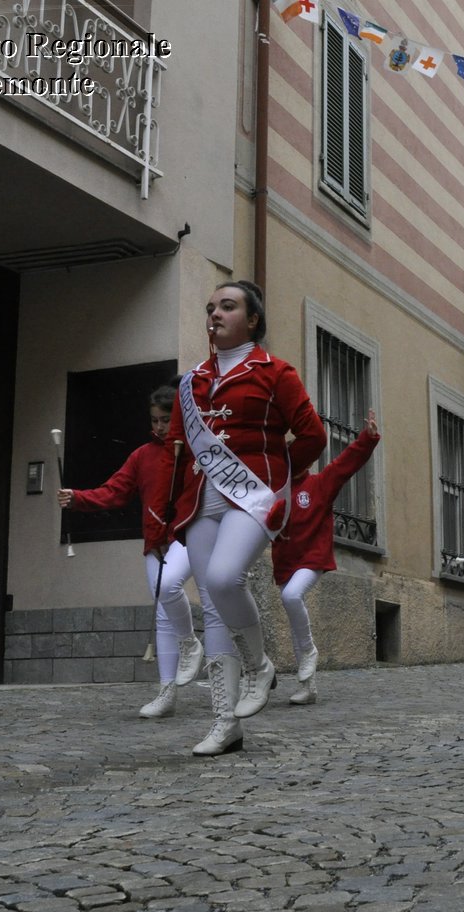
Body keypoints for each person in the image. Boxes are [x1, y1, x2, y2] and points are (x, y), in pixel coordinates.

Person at [158, 280, 327, 756]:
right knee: (211, 602)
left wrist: (283, 475)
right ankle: (223, 720)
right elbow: (177, 447)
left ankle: (259, 666)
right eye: (210, 307)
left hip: (254, 497)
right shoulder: (191, 383)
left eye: (227, 307)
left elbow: (311, 435)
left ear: (252, 320)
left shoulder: (276, 373)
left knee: (225, 578)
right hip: (199, 501)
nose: (215, 314)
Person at [57, 383, 222, 719]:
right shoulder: (141, 455)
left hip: (189, 534)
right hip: (155, 542)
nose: (159, 427)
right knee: (163, 611)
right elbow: (114, 492)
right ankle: (166, 692)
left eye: (165, 419)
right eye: (155, 420)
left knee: (169, 587)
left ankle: (194, 644)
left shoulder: (195, 449)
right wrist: (78, 498)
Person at [269, 409, 381, 705]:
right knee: (295, 619)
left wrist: (367, 440)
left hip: (311, 560)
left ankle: (309, 654)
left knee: (292, 597)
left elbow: (346, 465)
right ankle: (308, 687)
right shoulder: (272, 491)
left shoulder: (319, 484)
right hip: (285, 563)